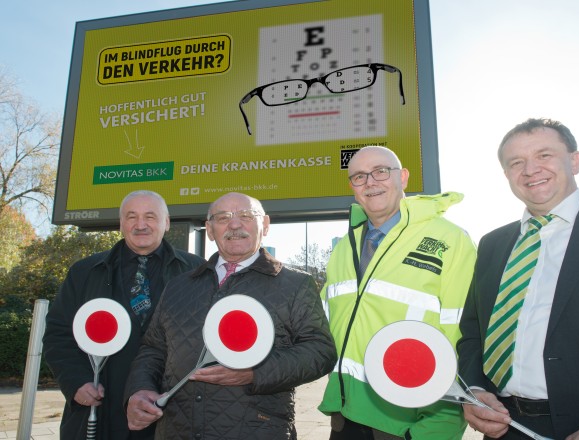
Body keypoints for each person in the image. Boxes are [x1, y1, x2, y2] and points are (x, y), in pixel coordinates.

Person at [457, 118, 579, 439]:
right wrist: (475, 391)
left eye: (544, 155)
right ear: (507, 174)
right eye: (516, 162)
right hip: (507, 427)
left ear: (575, 160)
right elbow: (472, 334)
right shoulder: (492, 243)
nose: (530, 169)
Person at [124, 192, 337, 440]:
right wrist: (140, 389)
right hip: (176, 430)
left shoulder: (295, 284)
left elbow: (320, 351)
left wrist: (255, 373)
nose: (235, 225)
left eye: (246, 216)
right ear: (210, 230)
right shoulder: (179, 286)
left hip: (257, 430)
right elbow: (153, 348)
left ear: (265, 225)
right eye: (223, 218)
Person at [318, 146, 477, 439]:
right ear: (352, 188)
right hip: (345, 417)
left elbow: (465, 336)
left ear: (403, 177)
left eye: (381, 171)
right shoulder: (344, 247)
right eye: (359, 177)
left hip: (411, 421)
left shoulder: (450, 239)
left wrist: (442, 424)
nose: (370, 182)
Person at [43, 190, 205, 440]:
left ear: (167, 222)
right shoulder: (84, 272)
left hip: (170, 413)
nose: (140, 225)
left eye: (150, 216)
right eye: (131, 217)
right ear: (121, 223)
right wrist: (75, 382)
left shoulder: (197, 272)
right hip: (100, 413)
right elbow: (58, 334)